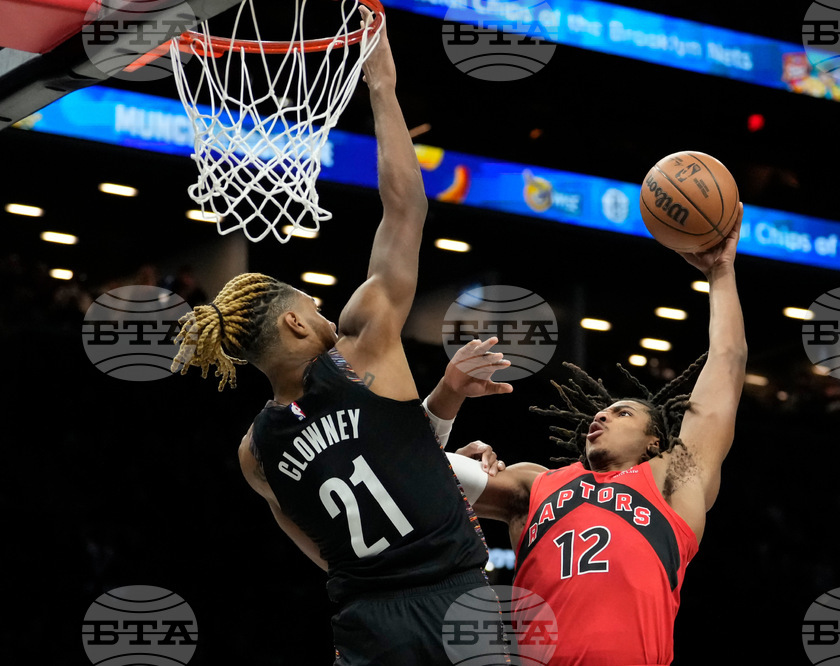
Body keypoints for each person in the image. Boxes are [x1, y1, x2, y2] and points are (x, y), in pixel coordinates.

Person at [170, 14, 511, 665]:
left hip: (367, 625)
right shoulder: (363, 347)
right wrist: (382, 85)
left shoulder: (254, 452)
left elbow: (327, 551)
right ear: (295, 323)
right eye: (312, 302)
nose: (322, 307)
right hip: (455, 602)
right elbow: (406, 210)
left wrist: (427, 456)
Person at [458, 205, 746, 665]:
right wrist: (455, 444)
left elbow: (727, 364)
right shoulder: (535, 484)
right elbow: (419, 476)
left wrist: (721, 272)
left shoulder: (673, 479)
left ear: (655, 442)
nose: (603, 416)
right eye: (601, 412)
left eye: (622, 412)